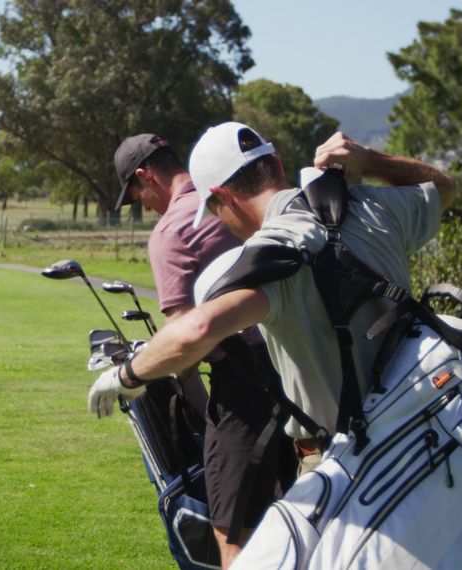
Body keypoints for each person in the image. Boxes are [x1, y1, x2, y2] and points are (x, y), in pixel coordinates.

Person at [89, 122, 456, 477]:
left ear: (221, 197)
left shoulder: (267, 257)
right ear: (277, 164)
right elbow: (444, 187)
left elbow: (197, 328)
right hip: (433, 443)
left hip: (346, 466)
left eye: (214, 210)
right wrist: (370, 159)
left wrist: (127, 374)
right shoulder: (374, 206)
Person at [106, 133, 296, 567]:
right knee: (290, 510)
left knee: (232, 532)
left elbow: (185, 340)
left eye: (137, 194)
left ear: (145, 175)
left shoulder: (171, 231)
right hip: (299, 367)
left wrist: (151, 374)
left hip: (247, 386)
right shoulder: (245, 194)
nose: (144, 205)